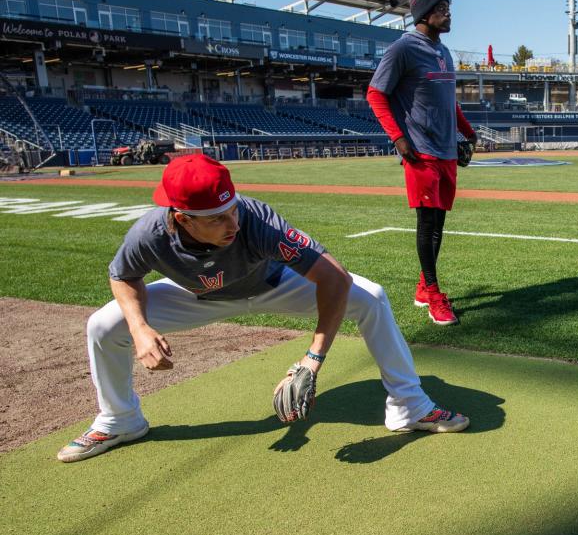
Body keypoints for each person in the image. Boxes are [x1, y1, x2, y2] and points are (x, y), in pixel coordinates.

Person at [57, 154, 469, 463]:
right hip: (197, 295)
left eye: (232, 208)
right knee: (103, 324)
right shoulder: (148, 233)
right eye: (217, 218)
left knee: (372, 296)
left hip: (273, 284)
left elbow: (333, 278)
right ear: (181, 218)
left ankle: (409, 405)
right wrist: (140, 327)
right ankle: (120, 419)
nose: (232, 223)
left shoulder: (256, 220)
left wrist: (312, 360)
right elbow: (123, 275)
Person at [366, 0, 477, 326]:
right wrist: (398, 138)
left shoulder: (444, 52)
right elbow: (375, 93)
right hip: (420, 151)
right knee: (426, 223)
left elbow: (449, 102)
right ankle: (433, 295)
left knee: (439, 223)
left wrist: (467, 131)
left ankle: (422, 287)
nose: (448, 14)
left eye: (448, 7)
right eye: (442, 8)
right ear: (425, 14)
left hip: (445, 151)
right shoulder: (403, 49)